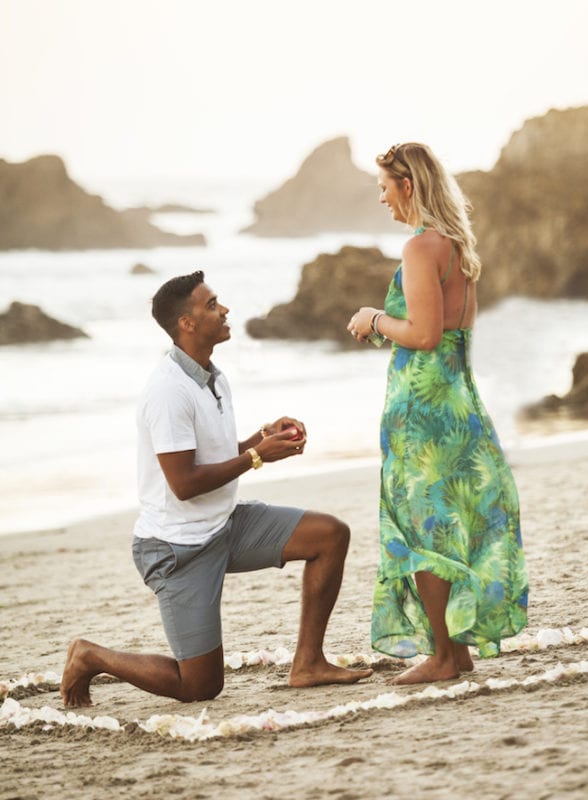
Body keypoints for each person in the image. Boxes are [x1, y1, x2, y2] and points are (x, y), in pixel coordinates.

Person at [61, 270, 372, 707]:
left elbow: (211, 455)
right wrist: (257, 456)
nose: (224, 310)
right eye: (211, 305)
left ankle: (308, 663)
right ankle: (90, 655)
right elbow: (184, 484)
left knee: (330, 535)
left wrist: (262, 438)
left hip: (226, 525)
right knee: (200, 687)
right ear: (186, 324)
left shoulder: (211, 375)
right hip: (177, 549)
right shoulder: (168, 391)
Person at [347, 142, 528, 685]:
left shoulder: (421, 248)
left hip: (423, 411)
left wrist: (374, 318)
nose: (382, 198)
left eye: (384, 187)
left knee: (421, 526)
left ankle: (443, 657)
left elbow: (424, 335)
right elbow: (448, 332)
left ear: (408, 184)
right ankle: (455, 649)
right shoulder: (456, 247)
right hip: (458, 398)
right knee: (450, 522)